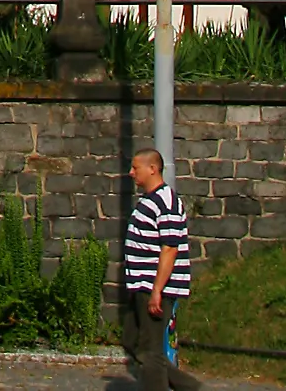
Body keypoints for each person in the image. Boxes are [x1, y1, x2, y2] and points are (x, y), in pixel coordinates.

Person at [121, 146, 195, 391]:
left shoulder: (167, 201)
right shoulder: (148, 200)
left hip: (156, 287)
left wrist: (157, 291)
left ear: (152, 169)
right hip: (141, 285)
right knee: (132, 340)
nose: (131, 173)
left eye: (135, 168)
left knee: (151, 352)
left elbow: (170, 249)